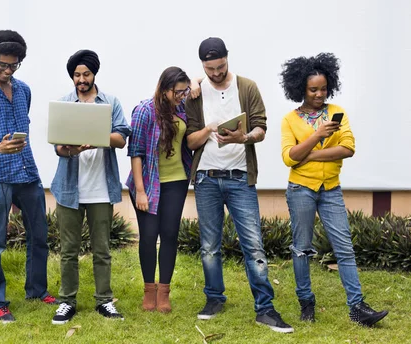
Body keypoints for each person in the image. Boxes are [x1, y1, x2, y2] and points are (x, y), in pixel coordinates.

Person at [185, 37, 293, 333]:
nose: (216, 74)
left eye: (220, 67)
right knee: (209, 246)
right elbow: (190, 140)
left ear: (227, 59)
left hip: (240, 177)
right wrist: (208, 129)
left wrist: (242, 137)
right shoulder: (195, 93)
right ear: (202, 67)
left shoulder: (247, 87)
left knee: (254, 245)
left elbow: (261, 128)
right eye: (210, 70)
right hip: (206, 177)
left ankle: (265, 308)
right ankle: (214, 299)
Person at [280, 53, 388, 326]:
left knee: (345, 248)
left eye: (323, 88)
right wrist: (318, 136)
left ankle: (357, 308)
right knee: (302, 249)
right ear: (300, 89)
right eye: (313, 89)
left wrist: (311, 155)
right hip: (301, 189)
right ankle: (306, 303)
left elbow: (348, 148)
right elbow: (289, 157)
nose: (319, 94)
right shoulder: (290, 120)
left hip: (331, 189)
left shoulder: (337, 113)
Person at [0, 30, 56, 323]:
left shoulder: (24, 90)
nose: (7, 70)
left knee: (39, 235)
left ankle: (37, 290)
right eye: (2, 64)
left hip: (27, 172)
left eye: (13, 65)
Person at [50, 49, 131, 325]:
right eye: (76, 75)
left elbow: (121, 138)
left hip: (100, 188)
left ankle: (104, 301)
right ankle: (67, 302)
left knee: (102, 249)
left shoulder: (110, 103)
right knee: (69, 250)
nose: (81, 79)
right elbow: (59, 148)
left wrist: (96, 138)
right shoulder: (64, 104)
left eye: (85, 74)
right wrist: (72, 148)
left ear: (94, 74)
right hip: (69, 189)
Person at [126, 66, 192, 313]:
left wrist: (190, 87)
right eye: (178, 92)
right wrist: (140, 191)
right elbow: (136, 152)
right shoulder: (144, 110)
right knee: (149, 236)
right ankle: (148, 290)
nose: (182, 96)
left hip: (177, 180)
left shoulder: (183, 109)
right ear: (165, 90)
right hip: (148, 182)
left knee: (170, 234)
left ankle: (164, 291)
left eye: (185, 91)